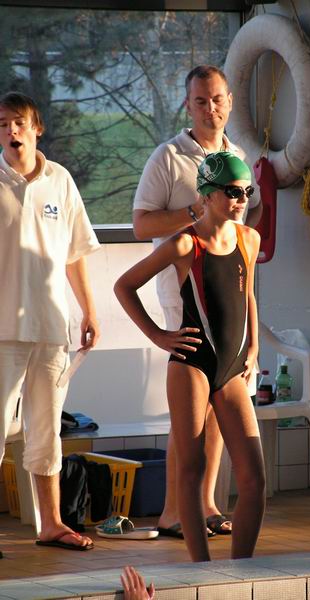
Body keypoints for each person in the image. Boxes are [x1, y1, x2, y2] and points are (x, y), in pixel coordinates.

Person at [115, 151, 266, 562]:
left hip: (233, 368)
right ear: (207, 195)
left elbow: (248, 295)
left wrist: (253, 346)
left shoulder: (248, 239)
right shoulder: (185, 243)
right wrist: (158, 335)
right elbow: (124, 286)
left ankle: (242, 568)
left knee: (253, 479)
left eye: (247, 192)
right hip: (192, 365)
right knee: (191, 468)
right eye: (232, 192)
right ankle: (201, 567)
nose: (242, 200)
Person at [132, 65, 262, 538]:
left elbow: (244, 232)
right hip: (185, 293)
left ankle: (205, 502)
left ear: (230, 101)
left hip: (229, 295)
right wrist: (197, 209)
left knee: (219, 407)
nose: (211, 109)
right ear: (188, 105)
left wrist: (253, 340)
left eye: (218, 99)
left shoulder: (239, 155)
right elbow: (141, 225)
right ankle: (174, 510)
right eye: (201, 101)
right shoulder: (168, 158)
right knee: (191, 411)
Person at [0, 91, 100, 554]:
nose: (11, 130)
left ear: (36, 128)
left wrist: (89, 310)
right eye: (2, 124)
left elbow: (75, 253)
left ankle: (52, 524)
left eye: (18, 122)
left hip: (51, 327)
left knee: (46, 430)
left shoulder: (60, 180)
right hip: (3, 330)